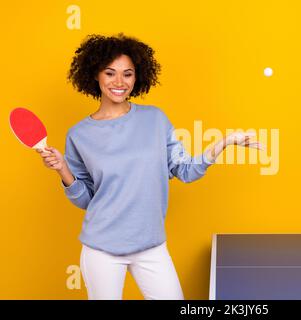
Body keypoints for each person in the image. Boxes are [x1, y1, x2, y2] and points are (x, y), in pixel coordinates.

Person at [36, 33, 262, 300]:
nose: (119, 82)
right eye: (110, 73)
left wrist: (222, 144)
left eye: (127, 74)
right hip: (101, 249)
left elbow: (185, 171)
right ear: (95, 75)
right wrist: (63, 169)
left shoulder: (155, 119)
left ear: (137, 77)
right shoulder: (79, 134)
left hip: (150, 245)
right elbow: (86, 199)